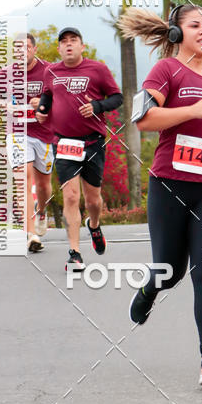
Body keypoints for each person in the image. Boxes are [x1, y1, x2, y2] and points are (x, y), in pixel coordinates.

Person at [119, 3, 202, 387]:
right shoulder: (165, 71)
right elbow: (144, 120)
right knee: (170, 270)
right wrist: (192, 110)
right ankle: (149, 290)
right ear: (177, 34)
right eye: (195, 25)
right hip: (171, 185)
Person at [36, 27, 123, 271]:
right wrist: (42, 109)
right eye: (64, 41)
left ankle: (94, 225)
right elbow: (47, 94)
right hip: (64, 143)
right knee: (71, 196)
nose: (68, 44)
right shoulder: (51, 71)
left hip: (92, 142)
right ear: (58, 49)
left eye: (73, 40)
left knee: (93, 200)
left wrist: (97, 106)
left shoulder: (98, 69)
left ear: (82, 46)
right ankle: (75, 253)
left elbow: (117, 98)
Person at [5, 34, 55, 253]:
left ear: (34, 49)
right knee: (22, 179)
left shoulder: (49, 71)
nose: (21, 51)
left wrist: (43, 102)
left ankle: (41, 211)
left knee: (43, 185)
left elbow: (60, 98)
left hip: (44, 134)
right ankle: (31, 234)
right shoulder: (6, 74)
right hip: (17, 132)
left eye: (25, 47)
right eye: (17, 48)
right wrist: (6, 105)